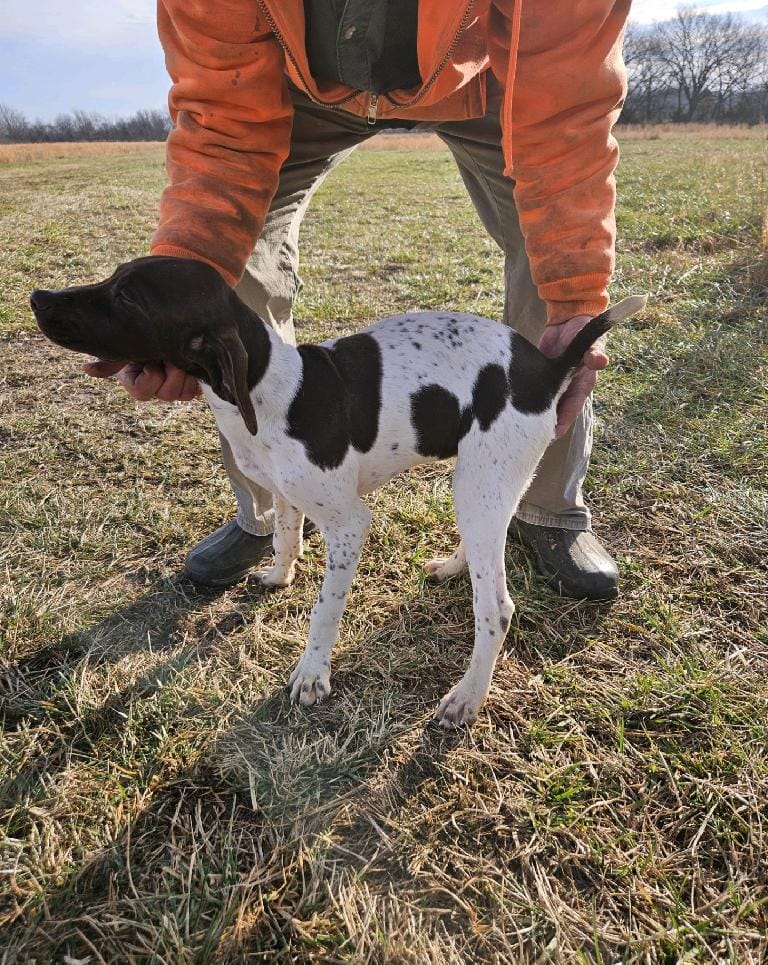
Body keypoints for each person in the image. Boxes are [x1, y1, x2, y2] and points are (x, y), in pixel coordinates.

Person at [85, 0, 631, 599]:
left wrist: (575, 292)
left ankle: (545, 508)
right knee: (223, 272)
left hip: (489, 75)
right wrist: (180, 302)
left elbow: (566, 96)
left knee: (546, 255)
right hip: (291, 85)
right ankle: (269, 506)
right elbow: (222, 118)